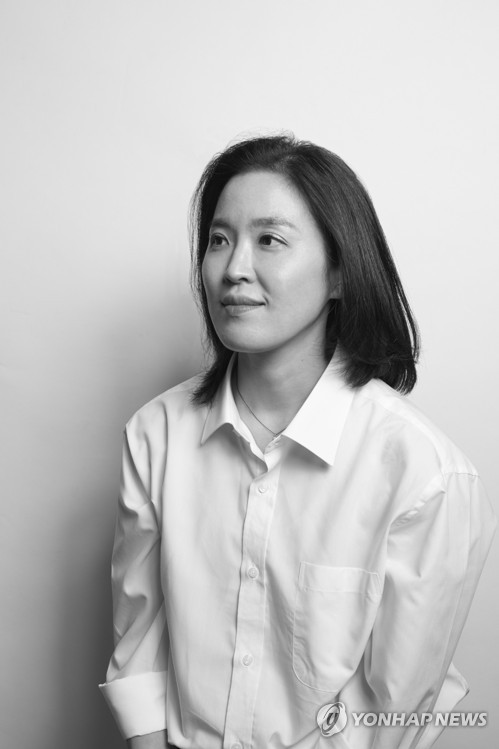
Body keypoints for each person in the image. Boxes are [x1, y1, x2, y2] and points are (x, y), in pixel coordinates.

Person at [99, 134, 496, 749]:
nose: (233, 269)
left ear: (339, 272)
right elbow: (140, 658)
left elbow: (387, 713)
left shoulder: (425, 475)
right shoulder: (157, 434)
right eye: (219, 239)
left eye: (270, 240)